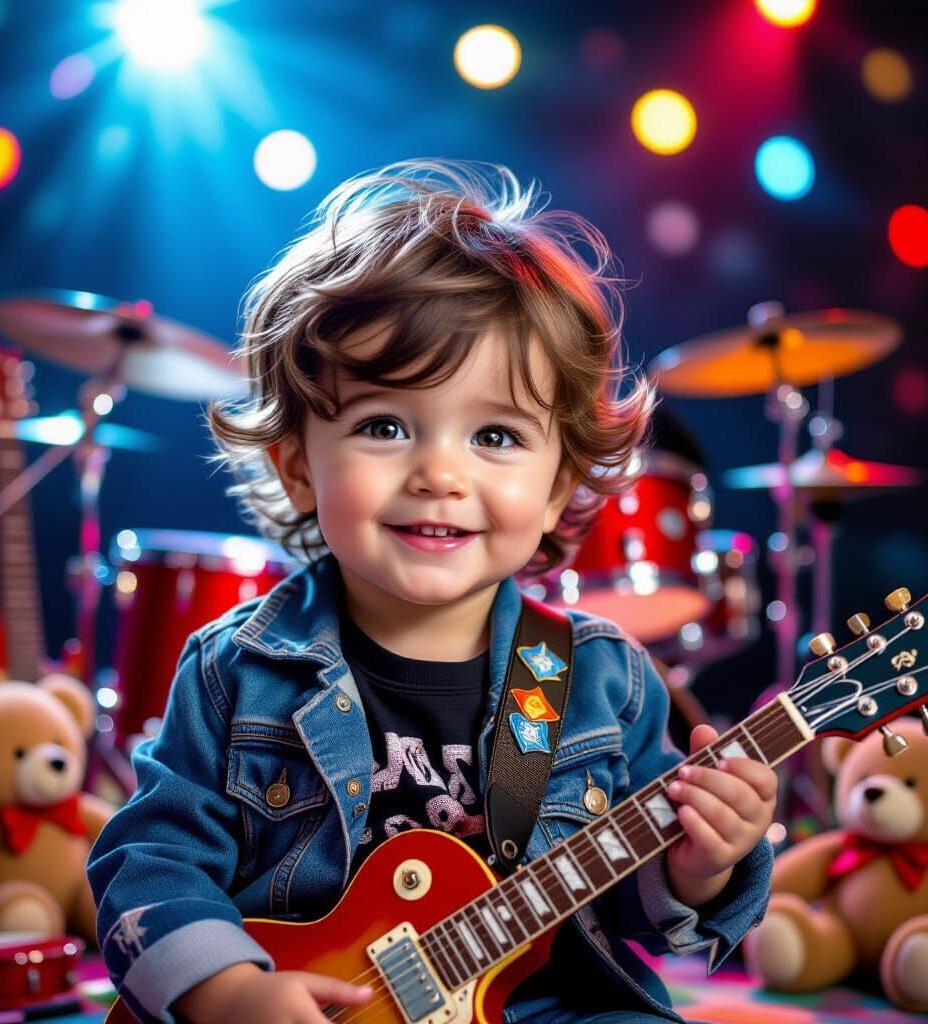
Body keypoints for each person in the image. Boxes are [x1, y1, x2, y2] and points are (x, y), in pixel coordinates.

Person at [88, 160, 777, 1024]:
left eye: (495, 434)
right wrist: (228, 991)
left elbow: (636, 915)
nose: (441, 474)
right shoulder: (238, 668)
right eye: (385, 426)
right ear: (298, 463)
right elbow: (149, 859)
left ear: (561, 486)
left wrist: (699, 864)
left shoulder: (602, 679)